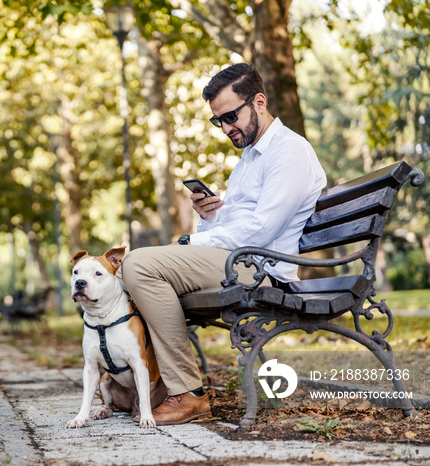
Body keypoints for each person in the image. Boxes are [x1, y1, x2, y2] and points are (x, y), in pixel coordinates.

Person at [119, 63, 326, 425]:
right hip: (236, 262)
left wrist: (192, 241)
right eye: (219, 121)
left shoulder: (289, 151)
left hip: (261, 270)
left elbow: (261, 231)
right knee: (138, 269)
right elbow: (234, 226)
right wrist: (209, 216)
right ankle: (158, 384)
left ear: (259, 102)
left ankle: (187, 393)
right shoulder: (247, 160)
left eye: (231, 115)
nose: (227, 127)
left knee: (138, 264)